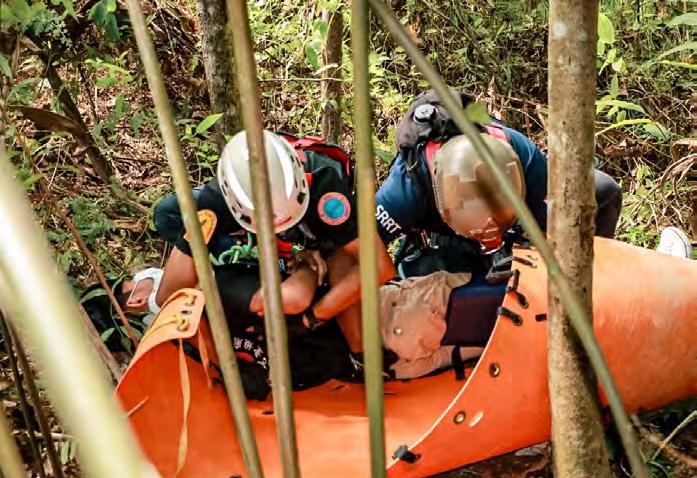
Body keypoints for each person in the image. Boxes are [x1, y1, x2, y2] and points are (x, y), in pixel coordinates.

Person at [152, 130, 395, 356]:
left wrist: (309, 319)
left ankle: (307, 268)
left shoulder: (326, 188)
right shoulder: (215, 203)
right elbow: (169, 296)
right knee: (168, 214)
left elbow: (380, 266)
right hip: (259, 245)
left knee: (358, 342)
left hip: (321, 238)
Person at [375, 89, 623, 278]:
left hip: (517, 229)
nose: (488, 226)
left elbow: (551, 224)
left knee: (602, 191)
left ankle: (595, 286)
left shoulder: (521, 153)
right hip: (448, 244)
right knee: (429, 275)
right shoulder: (407, 186)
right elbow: (365, 247)